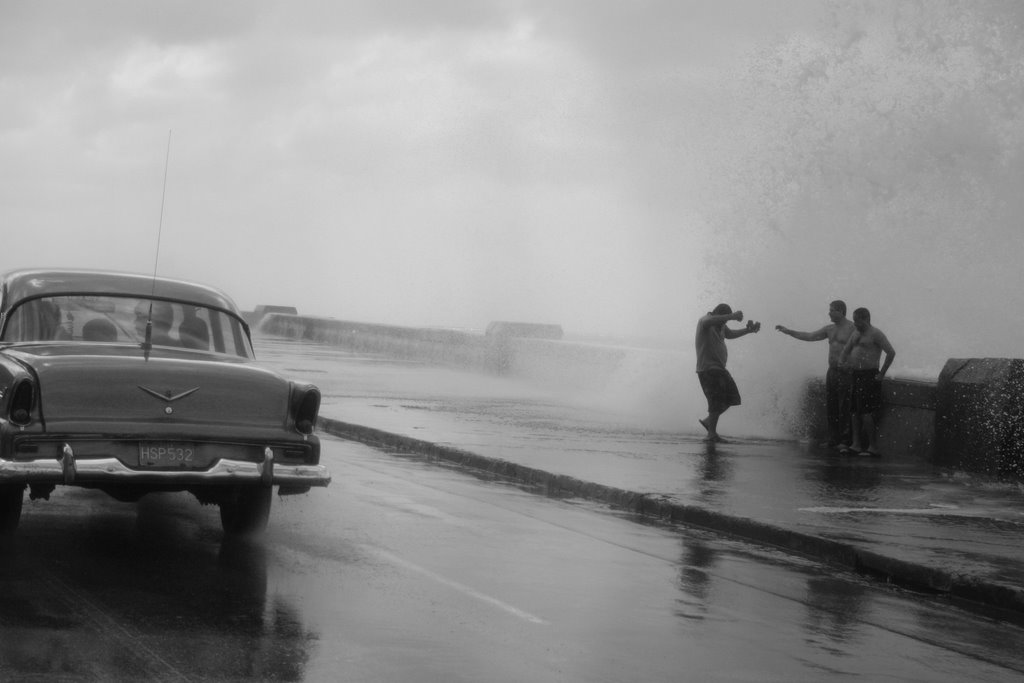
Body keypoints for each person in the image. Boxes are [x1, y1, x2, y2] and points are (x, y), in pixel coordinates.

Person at [775, 300, 856, 450]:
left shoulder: (852, 328)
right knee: (831, 405)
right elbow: (810, 336)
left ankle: (845, 441)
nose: (829, 313)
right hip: (832, 371)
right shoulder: (829, 329)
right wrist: (789, 331)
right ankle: (833, 438)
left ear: (841, 311)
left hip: (846, 372)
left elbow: (862, 347)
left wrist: (855, 366)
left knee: (844, 406)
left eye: (831, 310)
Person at [695, 303, 761, 442]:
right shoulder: (705, 321)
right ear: (717, 314)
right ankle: (711, 434)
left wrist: (748, 331)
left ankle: (708, 422)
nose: (724, 323)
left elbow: (730, 334)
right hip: (708, 369)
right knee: (715, 400)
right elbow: (710, 321)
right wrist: (732, 316)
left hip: (720, 369)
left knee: (733, 398)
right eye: (723, 319)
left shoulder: (721, 326)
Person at [838, 307, 895, 457]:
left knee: (866, 412)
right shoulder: (856, 333)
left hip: (870, 376)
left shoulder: (876, 334)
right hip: (856, 375)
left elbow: (891, 352)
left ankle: (873, 447)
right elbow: (846, 350)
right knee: (854, 412)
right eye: (854, 321)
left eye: (858, 321)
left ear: (866, 319)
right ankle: (856, 444)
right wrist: (842, 362)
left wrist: (882, 373)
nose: (855, 324)